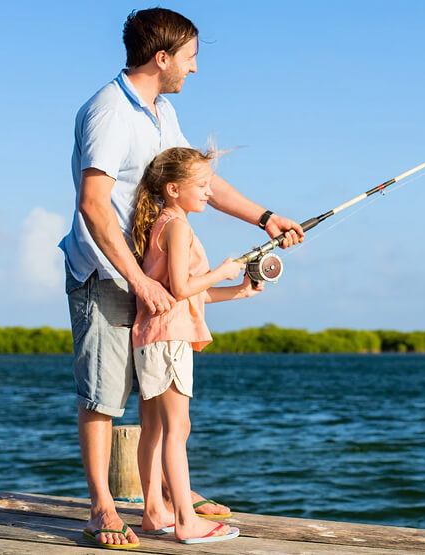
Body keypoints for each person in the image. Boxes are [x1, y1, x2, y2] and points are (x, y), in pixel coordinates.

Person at [59, 8, 303, 549]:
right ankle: (102, 507)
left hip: (152, 279)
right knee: (103, 396)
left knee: (152, 399)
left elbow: (200, 183)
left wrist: (265, 218)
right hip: (104, 272)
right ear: (162, 57)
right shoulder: (108, 112)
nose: (194, 70)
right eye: (190, 58)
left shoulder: (161, 113)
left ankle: (160, 501)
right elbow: (94, 206)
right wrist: (142, 283)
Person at [131, 147, 254, 544]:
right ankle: (186, 519)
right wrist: (221, 270)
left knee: (152, 428)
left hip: (153, 335)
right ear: (173, 189)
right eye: (201, 185)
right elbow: (184, 287)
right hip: (169, 338)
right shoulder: (178, 226)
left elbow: (179, 291)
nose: (208, 192)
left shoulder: (164, 222)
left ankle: (154, 513)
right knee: (177, 429)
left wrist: (237, 290)